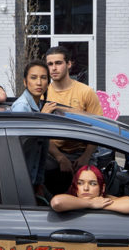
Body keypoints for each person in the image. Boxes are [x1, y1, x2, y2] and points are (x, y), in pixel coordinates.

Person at [42, 46, 103, 192]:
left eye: (58, 63)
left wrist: (85, 157)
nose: (54, 68)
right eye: (50, 64)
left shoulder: (85, 92)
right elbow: (39, 132)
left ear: (69, 64)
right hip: (52, 153)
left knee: (88, 188)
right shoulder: (42, 94)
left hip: (82, 152)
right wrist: (60, 157)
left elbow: (98, 128)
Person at [12, 60, 57, 195]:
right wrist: (41, 119)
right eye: (33, 78)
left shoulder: (38, 106)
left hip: (33, 179)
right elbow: (20, 144)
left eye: (43, 78)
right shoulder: (22, 107)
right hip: (21, 181)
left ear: (48, 83)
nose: (39, 83)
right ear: (25, 82)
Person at [50, 165, 129, 214]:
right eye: (80, 183)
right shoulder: (70, 198)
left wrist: (102, 204)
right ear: (75, 186)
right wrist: (91, 204)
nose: (86, 188)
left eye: (92, 183)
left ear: (102, 188)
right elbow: (57, 202)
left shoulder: (104, 199)